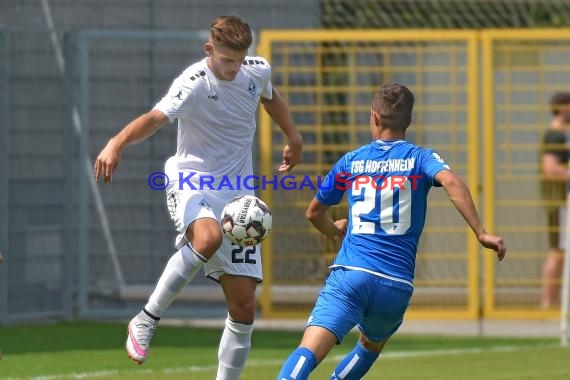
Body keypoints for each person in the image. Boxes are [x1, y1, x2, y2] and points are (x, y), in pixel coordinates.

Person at [94, 16, 303, 379]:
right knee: (208, 238)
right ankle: (146, 318)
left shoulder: (256, 71)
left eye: (239, 60)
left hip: (238, 200)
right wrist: (116, 143)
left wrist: (293, 136)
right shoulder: (192, 83)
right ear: (209, 50)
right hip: (191, 181)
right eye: (226, 60)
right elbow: (154, 118)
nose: (233, 68)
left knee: (243, 307)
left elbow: (270, 96)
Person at [277, 84, 506, 380]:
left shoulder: (352, 161)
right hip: (395, 285)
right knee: (370, 345)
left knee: (308, 352)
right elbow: (452, 182)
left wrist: (332, 229)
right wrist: (481, 232)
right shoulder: (421, 158)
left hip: (351, 276)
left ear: (373, 116)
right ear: (408, 122)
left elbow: (314, 212)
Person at [540, 91, 570, 309]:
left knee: (560, 252)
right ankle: (548, 304)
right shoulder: (555, 135)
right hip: (559, 202)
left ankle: (553, 303)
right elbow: (550, 168)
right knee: (558, 253)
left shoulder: (560, 135)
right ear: (561, 108)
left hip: (561, 201)